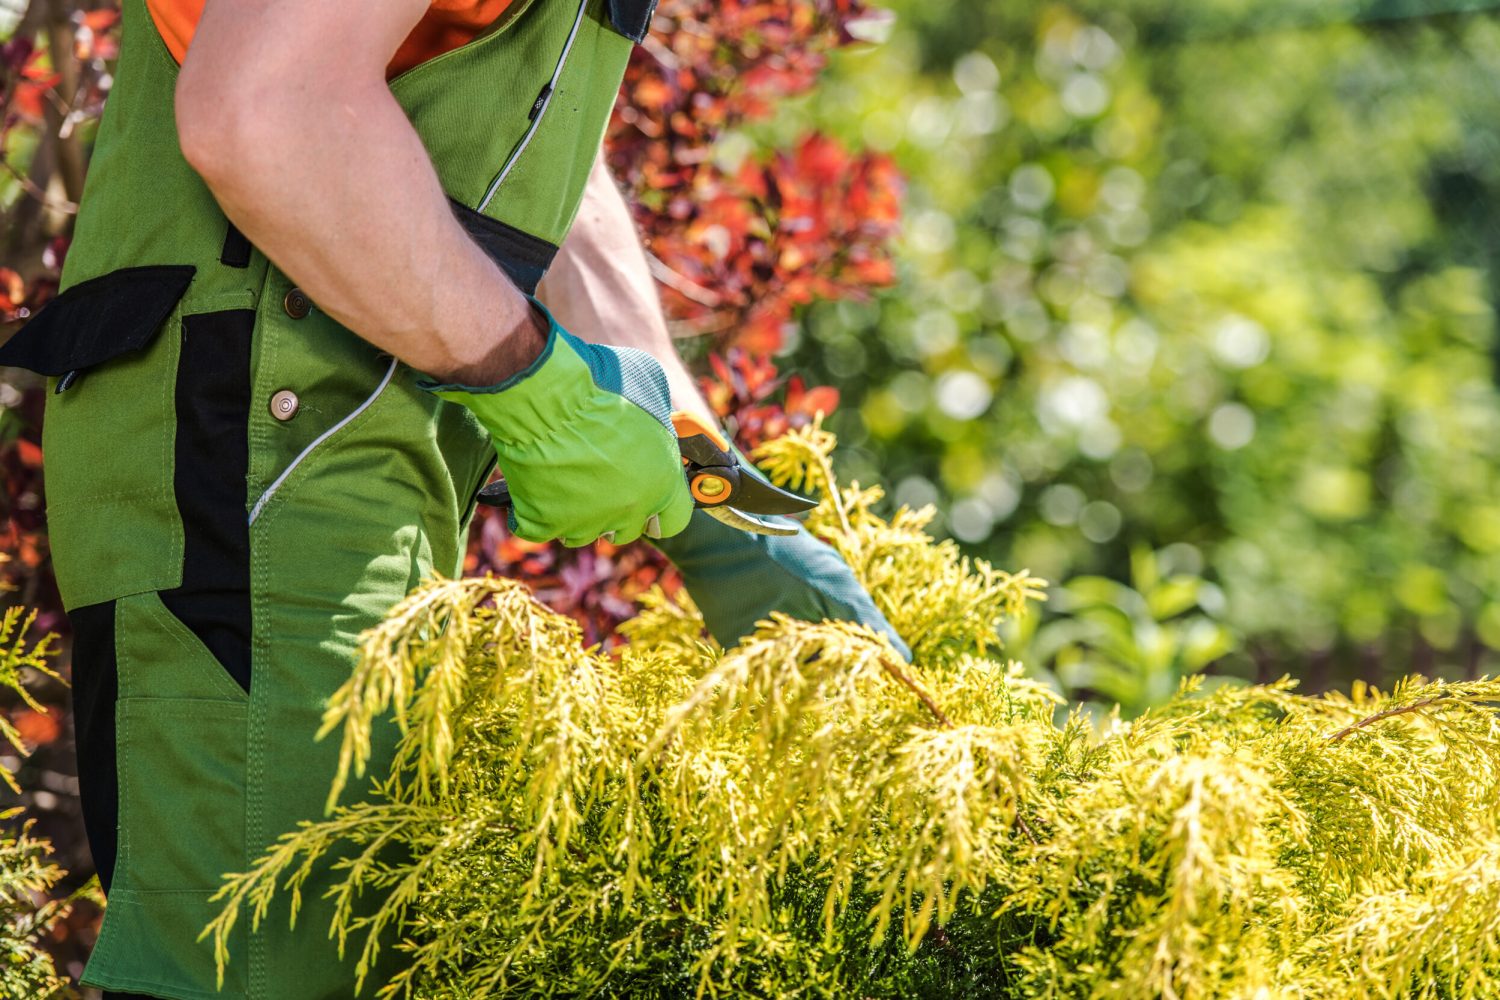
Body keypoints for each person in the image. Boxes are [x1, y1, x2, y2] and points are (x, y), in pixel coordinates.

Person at [0, 0, 908, 997]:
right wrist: (534, 383)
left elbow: (510, 130)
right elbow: (263, 109)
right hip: (253, 466)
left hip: (323, 460)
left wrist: (702, 480)